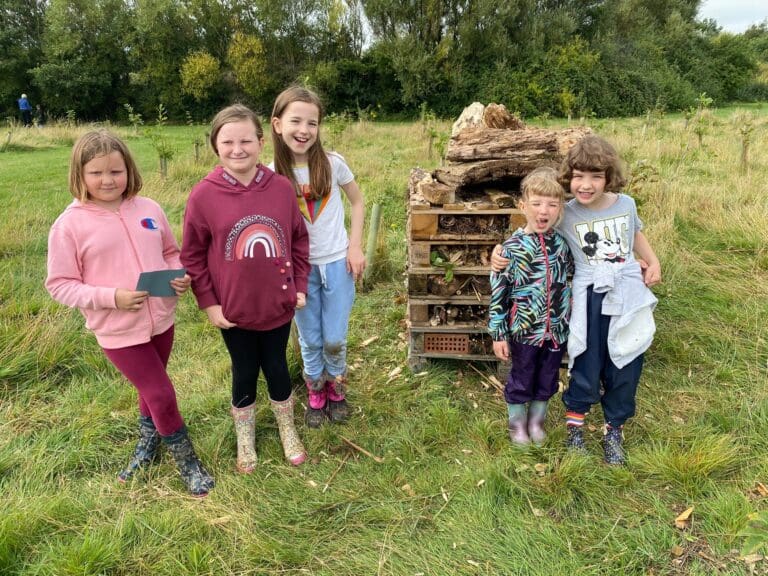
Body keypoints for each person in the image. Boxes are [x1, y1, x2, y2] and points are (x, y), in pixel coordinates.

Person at [46, 129, 214, 497]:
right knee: (162, 393)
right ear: (80, 174)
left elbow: (171, 252)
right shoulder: (69, 225)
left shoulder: (149, 209)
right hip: (117, 328)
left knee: (149, 390)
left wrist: (179, 275)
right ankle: (187, 461)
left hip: (161, 319)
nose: (108, 180)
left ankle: (147, 446)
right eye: (97, 173)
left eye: (116, 171)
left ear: (129, 170)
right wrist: (112, 297)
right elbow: (59, 284)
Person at [492, 135, 661, 465]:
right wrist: (498, 252)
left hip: (626, 293)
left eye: (596, 176)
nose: (586, 185)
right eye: (579, 176)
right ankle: (575, 429)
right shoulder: (565, 213)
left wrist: (651, 261)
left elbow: (634, 233)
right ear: (569, 177)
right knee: (585, 360)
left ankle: (614, 429)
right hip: (587, 298)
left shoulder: (626, 204)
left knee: (626, 361)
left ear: (608, 176)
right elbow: (533, 231)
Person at [181, 104, 310, 473]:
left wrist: (299, 285)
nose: (238, 150)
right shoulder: (203, 196)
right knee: (244, 369)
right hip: (233, 310)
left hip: (277, 304)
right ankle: (245, 438)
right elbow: (192, 255)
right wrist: (209, 304)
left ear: (260, 141)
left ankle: (288, 429)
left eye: (246, 141)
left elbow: (299, 240)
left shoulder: (281, 189)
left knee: (277, 366)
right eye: (228, 142)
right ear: (215, 146)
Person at [269, 86, 365, 428]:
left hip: (338, 264)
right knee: (310, 337)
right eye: (296, 121)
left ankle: (336, 388)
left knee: (335, 336)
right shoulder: (271, 174)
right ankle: (315, 393)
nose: (304, 130)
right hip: (298, 271)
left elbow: (357, 201)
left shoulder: (333, 164)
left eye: (312, 122)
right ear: (278, 124)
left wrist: (355, 247)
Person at [488, 167, 572, 446]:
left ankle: (537, 422)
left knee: (547, 378)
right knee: (522, 377)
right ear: (523, 206)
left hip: (555, 331)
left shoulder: (561, 244)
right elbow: (499, 294)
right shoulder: (511, 249)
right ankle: (517, 426)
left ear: (561, 208)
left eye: (551, 204)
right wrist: (498, 334)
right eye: (536, 204)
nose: (543, 211)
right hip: (524, 330)